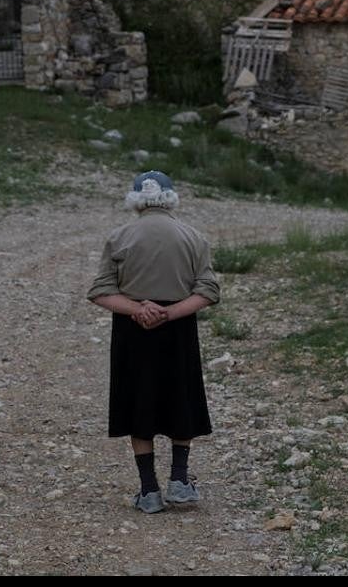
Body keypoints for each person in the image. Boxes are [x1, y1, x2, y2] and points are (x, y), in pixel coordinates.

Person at [87, 171, 220, 514]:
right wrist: (169, 313)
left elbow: (100, 291)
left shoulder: (119, 237)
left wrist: (138, 309)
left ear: (135, 200)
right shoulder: (194, 238)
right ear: (172, 198)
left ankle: (148, 491)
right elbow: (208, 291)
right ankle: (179, 481)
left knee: (137, 403)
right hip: (179, 330)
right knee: (181, 398)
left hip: (133, 332)